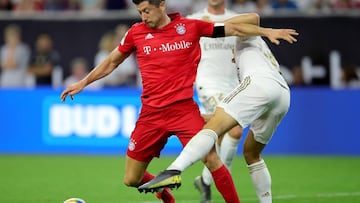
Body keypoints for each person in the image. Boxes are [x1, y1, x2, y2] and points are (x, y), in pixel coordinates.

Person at [60, 0, 298, 202]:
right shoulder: (136, 33)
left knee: (212, 159)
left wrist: (266, 32)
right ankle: (167, 197)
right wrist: (83, 83)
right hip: (150, 114)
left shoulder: (190, 27)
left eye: (146, 10)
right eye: (139, 12)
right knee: (131, 179)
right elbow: (112, 61)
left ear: (161, 5)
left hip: (183, 109)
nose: (143, 16)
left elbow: (233, 29)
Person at [137, 10, 298, 203]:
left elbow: (252, 18)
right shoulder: (253, 50)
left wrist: (213, 25)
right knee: (252, 154)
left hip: (259, 83)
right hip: (282, 94)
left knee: (212, 130)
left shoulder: (243, 35)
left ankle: (174, 170)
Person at [186, 1, 242, 202]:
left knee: (220, 136)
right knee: (234, 129)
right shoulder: (193, 20)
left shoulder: (237, 18)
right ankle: (218, 182)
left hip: (235, 85)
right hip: (208, 83)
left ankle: (205, 181)